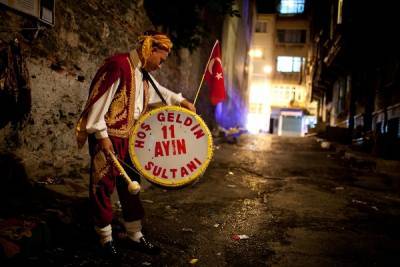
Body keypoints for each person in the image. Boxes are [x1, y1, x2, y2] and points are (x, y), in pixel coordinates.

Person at [75, 30, 196, 259]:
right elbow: (98, 102)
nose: (160, 65)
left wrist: (181, 101)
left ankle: (134, 234)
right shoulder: (119, 66)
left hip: (129, 139)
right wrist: (102, 137)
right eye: (161, 59)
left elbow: (160, 93)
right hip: (109, 138)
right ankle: (104, 238)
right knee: (103, 186)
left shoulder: (142, 74)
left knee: (131, 186)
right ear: (151, 49)